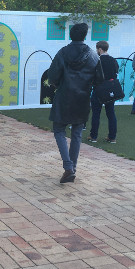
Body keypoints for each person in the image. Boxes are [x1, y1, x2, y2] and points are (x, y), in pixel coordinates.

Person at [48, 23, 100, 183]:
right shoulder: (93, 55)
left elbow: (53, 76)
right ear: (85, 36)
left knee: (59, 130)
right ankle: (72, 168)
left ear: (71, 35)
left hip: (64, 97)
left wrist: (58, 85)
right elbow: (99, 79)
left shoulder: (63, 52)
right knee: (77, 133)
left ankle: (68, 167)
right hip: (82, 98)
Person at [88, 41, 119, 143]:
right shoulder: (113, 60)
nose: (96, 51)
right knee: (111, 113)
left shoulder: (97, 60)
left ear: (100, 49)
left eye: (97, 49)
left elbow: (92, 75)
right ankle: (112, 137)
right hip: (111, 90)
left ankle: (93, 136)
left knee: (96, 113)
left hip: (98, 89)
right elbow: (115, 74)